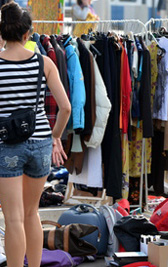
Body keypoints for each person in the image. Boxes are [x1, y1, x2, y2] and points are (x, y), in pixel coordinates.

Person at [0, 2, 71, 267]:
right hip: (41, 141)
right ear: (27, 32)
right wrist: (55, 136)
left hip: (6, 144)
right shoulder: (44, 62)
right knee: (32, 213)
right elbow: (65, 107)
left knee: (13, 217)